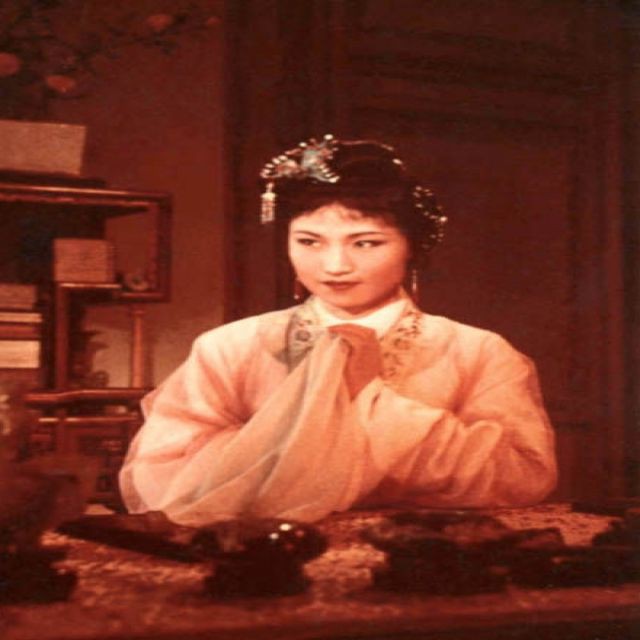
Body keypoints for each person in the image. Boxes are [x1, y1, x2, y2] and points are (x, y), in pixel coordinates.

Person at [119, 135, 557, 527]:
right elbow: (162, 471)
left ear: (412, 249)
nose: (334, 266)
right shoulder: (231, 347)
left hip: (415, 553)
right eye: (309, 242)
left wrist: (375, 402)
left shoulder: (477, 352)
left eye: (365, 243)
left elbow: (522, 476)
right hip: (268, 556)